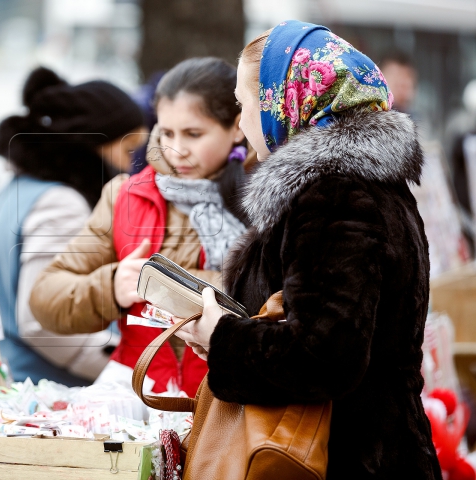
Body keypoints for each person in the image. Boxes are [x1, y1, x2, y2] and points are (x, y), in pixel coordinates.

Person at [176, 21, 441, 479]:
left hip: (346, 459)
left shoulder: (335, 195)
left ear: (286, 98)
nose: (240, 124)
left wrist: (225, 340)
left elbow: (325, 355)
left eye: (244, 104)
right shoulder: (367, 185)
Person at [30, 58, 251, 397]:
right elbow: (45, 297)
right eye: (167, 133)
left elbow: (283, 310)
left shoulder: (267, 196)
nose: (177, 149)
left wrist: (173, 287)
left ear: (236, 127)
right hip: (138, 398)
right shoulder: (126, 195)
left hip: (228, 401)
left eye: (193, 134)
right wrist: (112, 286)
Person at [0, 66, 147, 386]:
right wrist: (126, 372)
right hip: (48, 394)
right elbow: (41, 321)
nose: (129, 164)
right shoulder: (60, 202)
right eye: (127, 149)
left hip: (18, 381)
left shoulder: (18, 187)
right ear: (93, 142)